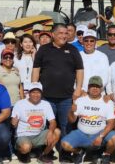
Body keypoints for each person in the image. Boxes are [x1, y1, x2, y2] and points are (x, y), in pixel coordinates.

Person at [32, 23, 84, 162]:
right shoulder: (43, 50)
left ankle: (65, 154)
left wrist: (78, 89)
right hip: (46, 97)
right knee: (46, 127)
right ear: (53, 35)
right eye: (60, 33)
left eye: (66, 33)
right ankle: (46, 153)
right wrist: (34, 89)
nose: (63, 35)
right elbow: (36, 69)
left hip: (66, 98)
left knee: (66, 126)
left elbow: (79, 70)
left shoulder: (72, 50)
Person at [61, 76, 115, 164]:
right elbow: (72, 121)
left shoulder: (107, 102)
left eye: (97, 86)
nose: (95, 88)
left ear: (101, 88)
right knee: (64, 144)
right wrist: (71, 111)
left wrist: (101, 136)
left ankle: (105, 155)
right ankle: (79, 152)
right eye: (92, 86)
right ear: (88, 87)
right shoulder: (80, 100)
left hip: (100, 134)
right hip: (81, 133)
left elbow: (111, 123)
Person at [11, 82, 60, 163]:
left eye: (38, 92)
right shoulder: (20, 104)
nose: (36, 94)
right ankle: (22, 153)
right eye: (33, 92)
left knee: (57, 132)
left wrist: (50, 132)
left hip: (39, 135)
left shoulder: (46, 104)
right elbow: (13, 125)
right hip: (23, 135)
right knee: (26, 147)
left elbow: (53, 121)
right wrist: (13, 123)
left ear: (41, 93)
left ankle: (43, 156)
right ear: (29, 93)